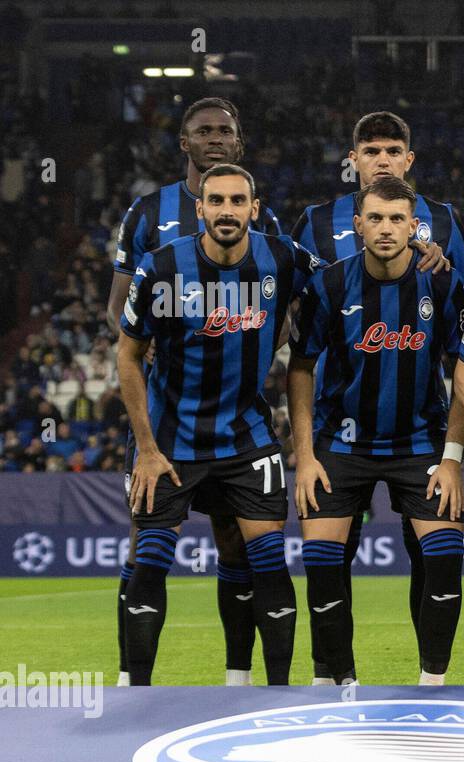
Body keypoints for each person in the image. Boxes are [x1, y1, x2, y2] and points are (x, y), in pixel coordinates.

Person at [290, 109, 464, 684]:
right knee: (323, 562)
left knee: (441, 558)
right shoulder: (327, 276)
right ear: (359, 222)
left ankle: (433, 682)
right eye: (377, 218)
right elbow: (298, 361)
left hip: (421, 440)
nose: (387, 226)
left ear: (417, 224)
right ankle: (333, 681)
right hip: (339, 440)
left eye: (399, 218)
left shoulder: (442, 278)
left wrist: (450, 457)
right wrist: (304, 455)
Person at [105, 97, 283, 687]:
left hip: (240, 430)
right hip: (168, 423)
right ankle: (135, 683)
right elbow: (120, 312)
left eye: (225, 131)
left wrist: (246, 333)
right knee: (147, 548)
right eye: (202, 131)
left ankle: (238, 680)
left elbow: (288, 299)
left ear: (239, 143)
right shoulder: (148, 214)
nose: (214, 139)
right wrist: (152, 339)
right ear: (183, 143)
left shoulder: (269, 229)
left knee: (237, 545)